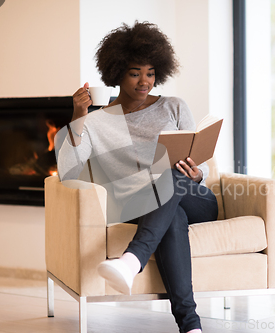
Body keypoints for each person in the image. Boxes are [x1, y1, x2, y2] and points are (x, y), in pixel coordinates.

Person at [57, 21, 218, 333]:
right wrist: (77, 117)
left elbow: (201, 160)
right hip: (146, 206)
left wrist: (199, 172)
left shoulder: (174, 106)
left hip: (196, 197)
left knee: (170, 173)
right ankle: (192, 327)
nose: (145, 81)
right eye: (135, 73)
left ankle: (132, 259)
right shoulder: (96, 122)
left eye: (150, 72)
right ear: (117, 73)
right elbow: (68, 168)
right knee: (172, 218)